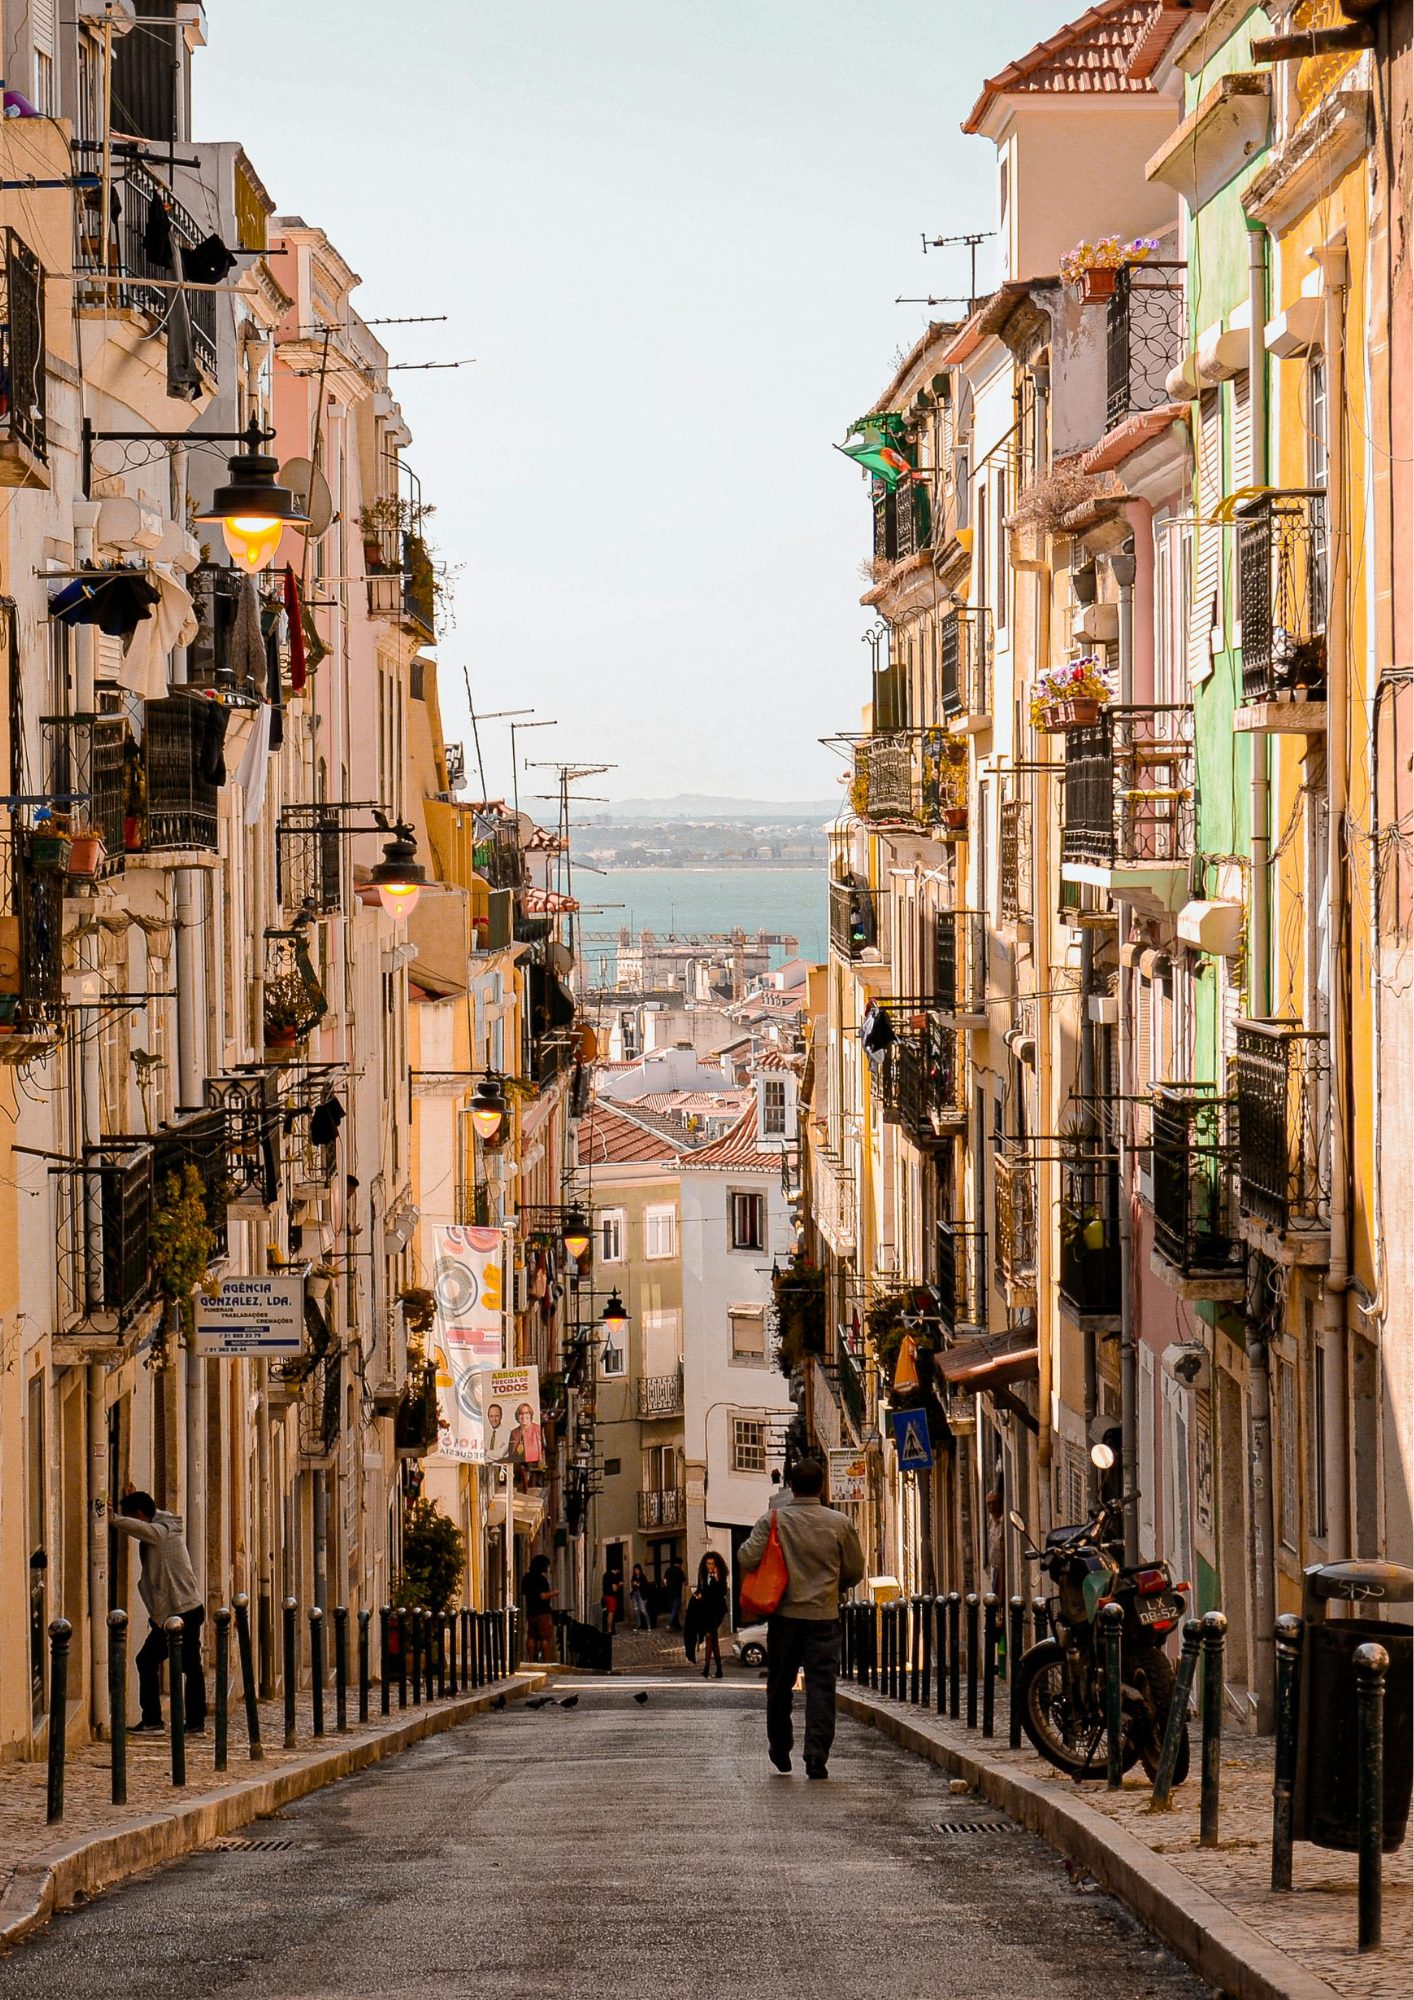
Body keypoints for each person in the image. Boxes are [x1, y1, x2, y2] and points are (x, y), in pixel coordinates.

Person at [738, 1456, 865, 1780]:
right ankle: (816, 1756)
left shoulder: (774, 1520)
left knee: (779, 1686)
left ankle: (781, 1749)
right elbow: (854, 1571)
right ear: (822, 1487)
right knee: (821, 1687)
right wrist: (833, 1585)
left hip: (784, 1616)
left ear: (791, 1486)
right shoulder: (839, 1523)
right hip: (824, 1616)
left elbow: (745, 1556)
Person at [112, 1491, 207, 1733]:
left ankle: (159, 1720)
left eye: (132, 1516)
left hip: (179, 1611)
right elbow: (143, 1524)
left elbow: (143, 1530)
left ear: (140, 1514)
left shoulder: (161, 1533)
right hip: (182, 1608)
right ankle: (192, 1722)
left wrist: (110, 1519)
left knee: (156, 1662)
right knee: (184, 1665)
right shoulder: (165, 1523)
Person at [687, 1551, 730, 1679]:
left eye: (712, 1563)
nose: (710, 1566)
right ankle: (719, 1670)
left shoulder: (720, 1576)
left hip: (717, 1610)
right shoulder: (702, 1575)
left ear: (716, 1564)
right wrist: (696, 1595)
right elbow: (701, 1590)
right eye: (708, 1563)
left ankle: (706, 1668)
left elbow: (721, 1593)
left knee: (709, 1634)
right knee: (713, 1640)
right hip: (706, 1610)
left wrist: (716, 1579)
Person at [522, 1553, 556, 1662]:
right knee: (544, 1637)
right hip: (543, 1611)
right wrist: (553, 1593)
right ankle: (546, 1661)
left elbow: (523, 1592)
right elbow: (543, 1596)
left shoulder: (526, 1577)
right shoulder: (541, 1580)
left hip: (531, 1611)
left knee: (531, 1635)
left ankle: (531, 1659)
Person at [508, 1401, 542, 1466]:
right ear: (517, 1416)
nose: (524, 1416)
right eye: (521, 1413)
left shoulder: (538, 1429)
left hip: (534, 1465)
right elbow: (510, 1453)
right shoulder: (513, 1432)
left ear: (530, 1415)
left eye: (526, 1413)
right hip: (517, 1467)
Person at [662, 1555, 687, 1631]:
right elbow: (685, 1582)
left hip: (669, 1592)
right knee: (675, 1609)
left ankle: (677, 1625)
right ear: (680, 1564)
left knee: (673, 1609)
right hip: (677, 1593)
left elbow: (664, 1580)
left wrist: (667, 1587)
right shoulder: (680, 1571)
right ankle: (669, 1625)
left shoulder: (668, 1570)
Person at [629, 1562, 652, 1631]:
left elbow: (645, 1586)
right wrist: (634, 1584)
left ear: (640, 1570)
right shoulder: (634, 1577)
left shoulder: (643, 1577)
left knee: (643, 1610)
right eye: (635, 1570)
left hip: (641, 1594)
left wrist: (638, 1584)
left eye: (637, 1570)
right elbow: (632, 1585)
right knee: (636, 1610)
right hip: (635, 1594)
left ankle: (649, 1625)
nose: (636, 1571)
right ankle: (638, 1625)